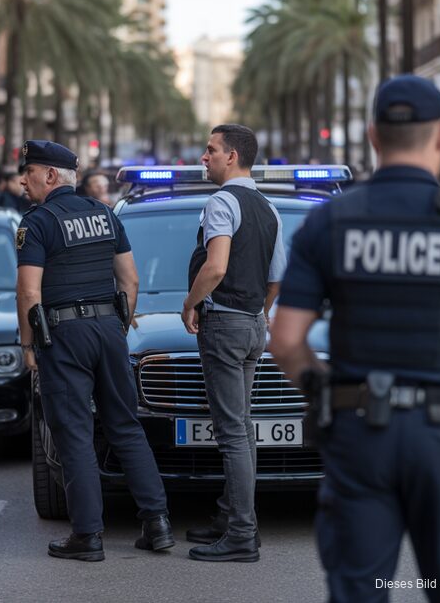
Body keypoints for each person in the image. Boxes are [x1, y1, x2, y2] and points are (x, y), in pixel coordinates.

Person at [268, 75, 440, 602]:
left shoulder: (330, 220)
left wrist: (325, 393)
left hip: (359, 431)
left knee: (358, 590)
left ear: (372, 136)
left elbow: (286, 339)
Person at [14, 140, 171, 562]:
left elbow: (29, 290)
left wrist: (28, 344)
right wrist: (116, 328)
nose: (21, 180)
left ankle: (87, 535)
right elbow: (130, 281)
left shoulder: (39, 222)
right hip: (108, 330)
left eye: (28, 172)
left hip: (65, 335)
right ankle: (157, 523)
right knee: (125, 426)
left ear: (49, 176)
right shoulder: (104, 214)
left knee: (75, 434)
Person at [181, 125, 285, 563]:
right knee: (241, 428)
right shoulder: (268, 207)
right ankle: (230, 517)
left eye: (211, 150)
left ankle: (241, 533)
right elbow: (276, 278)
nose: (203, 157)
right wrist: (258, 312)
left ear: (233, 156)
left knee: (232, 433)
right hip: (252, 326)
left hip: (223, 324)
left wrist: (190, 304)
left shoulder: (222, 201)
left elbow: (216, 266)